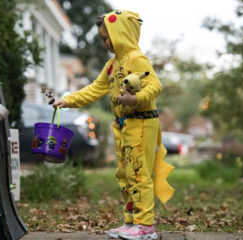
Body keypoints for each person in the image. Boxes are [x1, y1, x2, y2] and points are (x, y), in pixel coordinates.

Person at [53, 10, 175, 240]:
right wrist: (67, 100)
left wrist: (135, 99)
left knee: (138, 173)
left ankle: (145, 225)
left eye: (107, 37)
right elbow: (93, 90)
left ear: (121, 33)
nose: (105, 43)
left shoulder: (137, 59)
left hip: (140, 123)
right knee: (125, 175)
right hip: (122, 126)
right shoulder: (112, 65)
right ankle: (131, 221)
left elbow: (154, 85)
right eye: (102, 39)